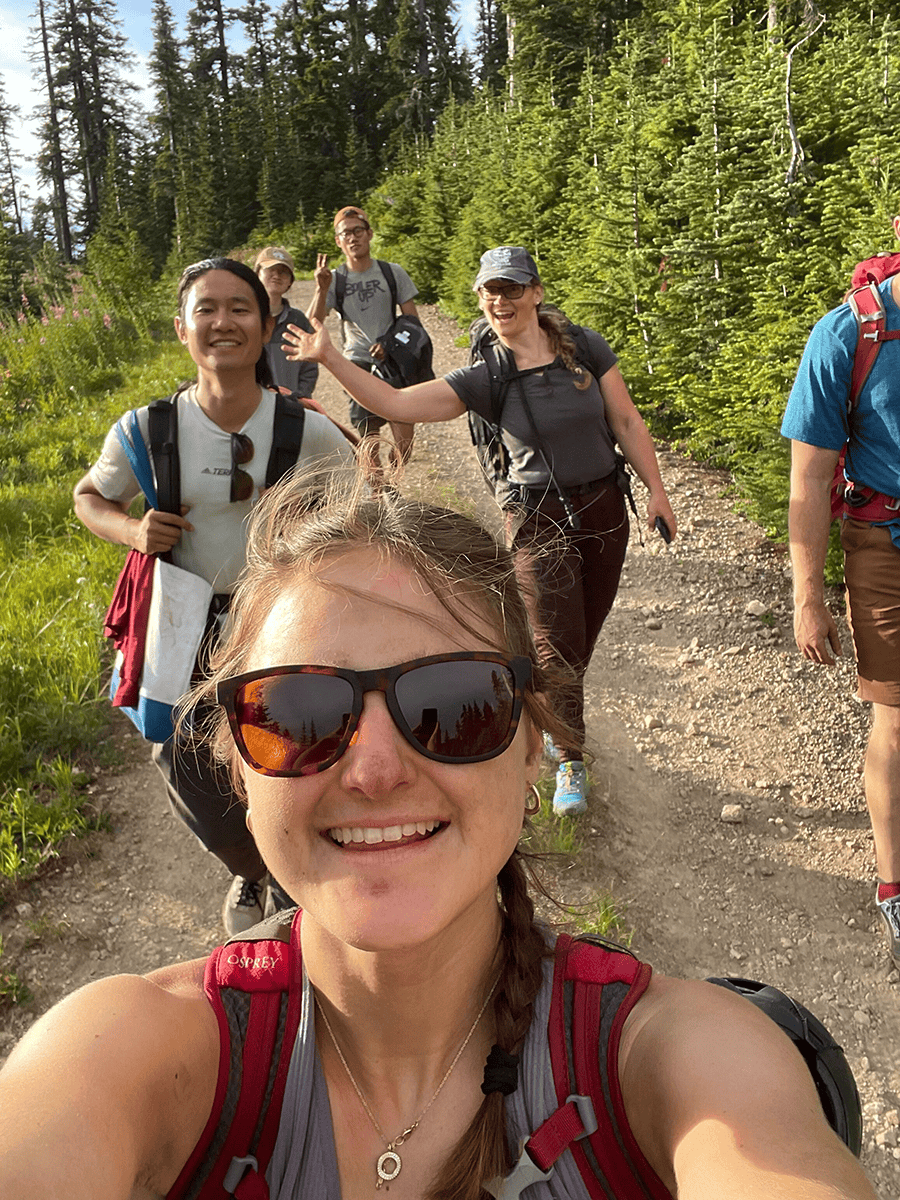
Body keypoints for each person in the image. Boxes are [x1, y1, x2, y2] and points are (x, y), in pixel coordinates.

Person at [0, 476, 876, 1200]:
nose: (376, 770)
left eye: (454, 705)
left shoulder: (681, 1058)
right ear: (238, 765)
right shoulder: (127, 1055)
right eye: (300, 713)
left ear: (533, 742)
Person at [286, 245, 677, 816]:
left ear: (536, 293)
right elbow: (394, 401)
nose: (501, 300)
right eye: (490, 291)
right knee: (554, 642)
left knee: (580, 636)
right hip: (537, 518)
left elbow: (624, 419)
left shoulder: (585, 348)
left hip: (603, 509)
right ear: (480, 298)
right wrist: (330, 359)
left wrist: (657, 491)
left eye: (512, 288)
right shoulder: (487, 376)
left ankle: (545, 710)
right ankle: (568, 757)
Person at [73, 257, 356, 935]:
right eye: (206, 309)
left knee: (292, 751)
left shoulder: (307, 431)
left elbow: (359, 516)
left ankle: (294, 876)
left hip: (281, 621)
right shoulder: (147, 430)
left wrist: (318, 542)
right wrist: (132, 529)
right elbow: (89, 497)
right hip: (184, 622)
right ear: (182, 328)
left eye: (239, 309)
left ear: (265, 329)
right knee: (184, 761)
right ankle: (252, 866)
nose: (222, 322)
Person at [782, 227, 900, 969]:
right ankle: (896, 887)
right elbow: (806, 482)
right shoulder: (848, 333)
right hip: (886, 545)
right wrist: (807, 595)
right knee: (896, 717)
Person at [307, 205, 421, 471]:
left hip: (393, 362)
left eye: (358, 230)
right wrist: (321, 289)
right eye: (345, 233)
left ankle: (396, 475)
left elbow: (412, 322)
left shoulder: (393, 272)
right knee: (368, 442)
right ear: (338, 241)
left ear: (369, 234)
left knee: (404, 443)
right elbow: (313, 322)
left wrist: (391, 344)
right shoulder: (335, 279)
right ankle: (380, 495)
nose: (352, 237)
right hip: (356, 364)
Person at [253, 244, 319, 398]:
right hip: (251, 406)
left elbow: (310, 366)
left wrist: (299, 396)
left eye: (283, 272)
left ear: (290, 281)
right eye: (271, 269)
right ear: (257, 274)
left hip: (290, 406)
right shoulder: (245, 317)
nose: (277, 275)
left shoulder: (298, 320)